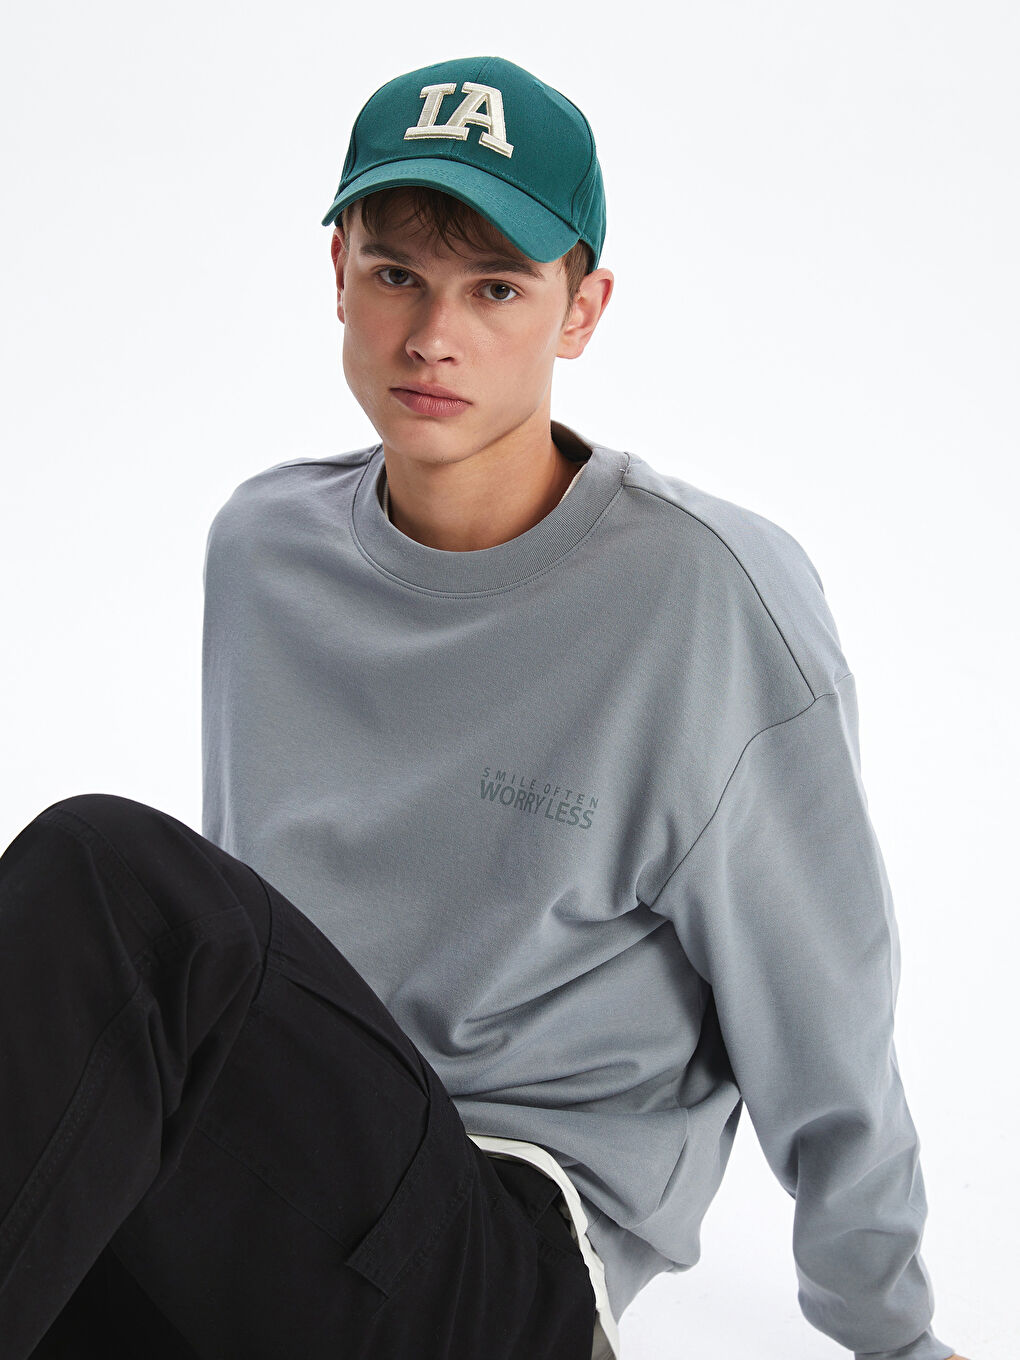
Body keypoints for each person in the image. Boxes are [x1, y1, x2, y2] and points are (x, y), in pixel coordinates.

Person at [0, 54, 970, 1360]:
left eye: (496, 288)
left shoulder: (702, 598)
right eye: (397, 273)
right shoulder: (265, 549)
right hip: (275, 1192)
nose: (431, 336)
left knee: (105, 871)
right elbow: (254, 976)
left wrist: (895, 1337)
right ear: (338, 272)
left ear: (582, 309)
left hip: (502, 1253)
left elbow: (824, 1024)